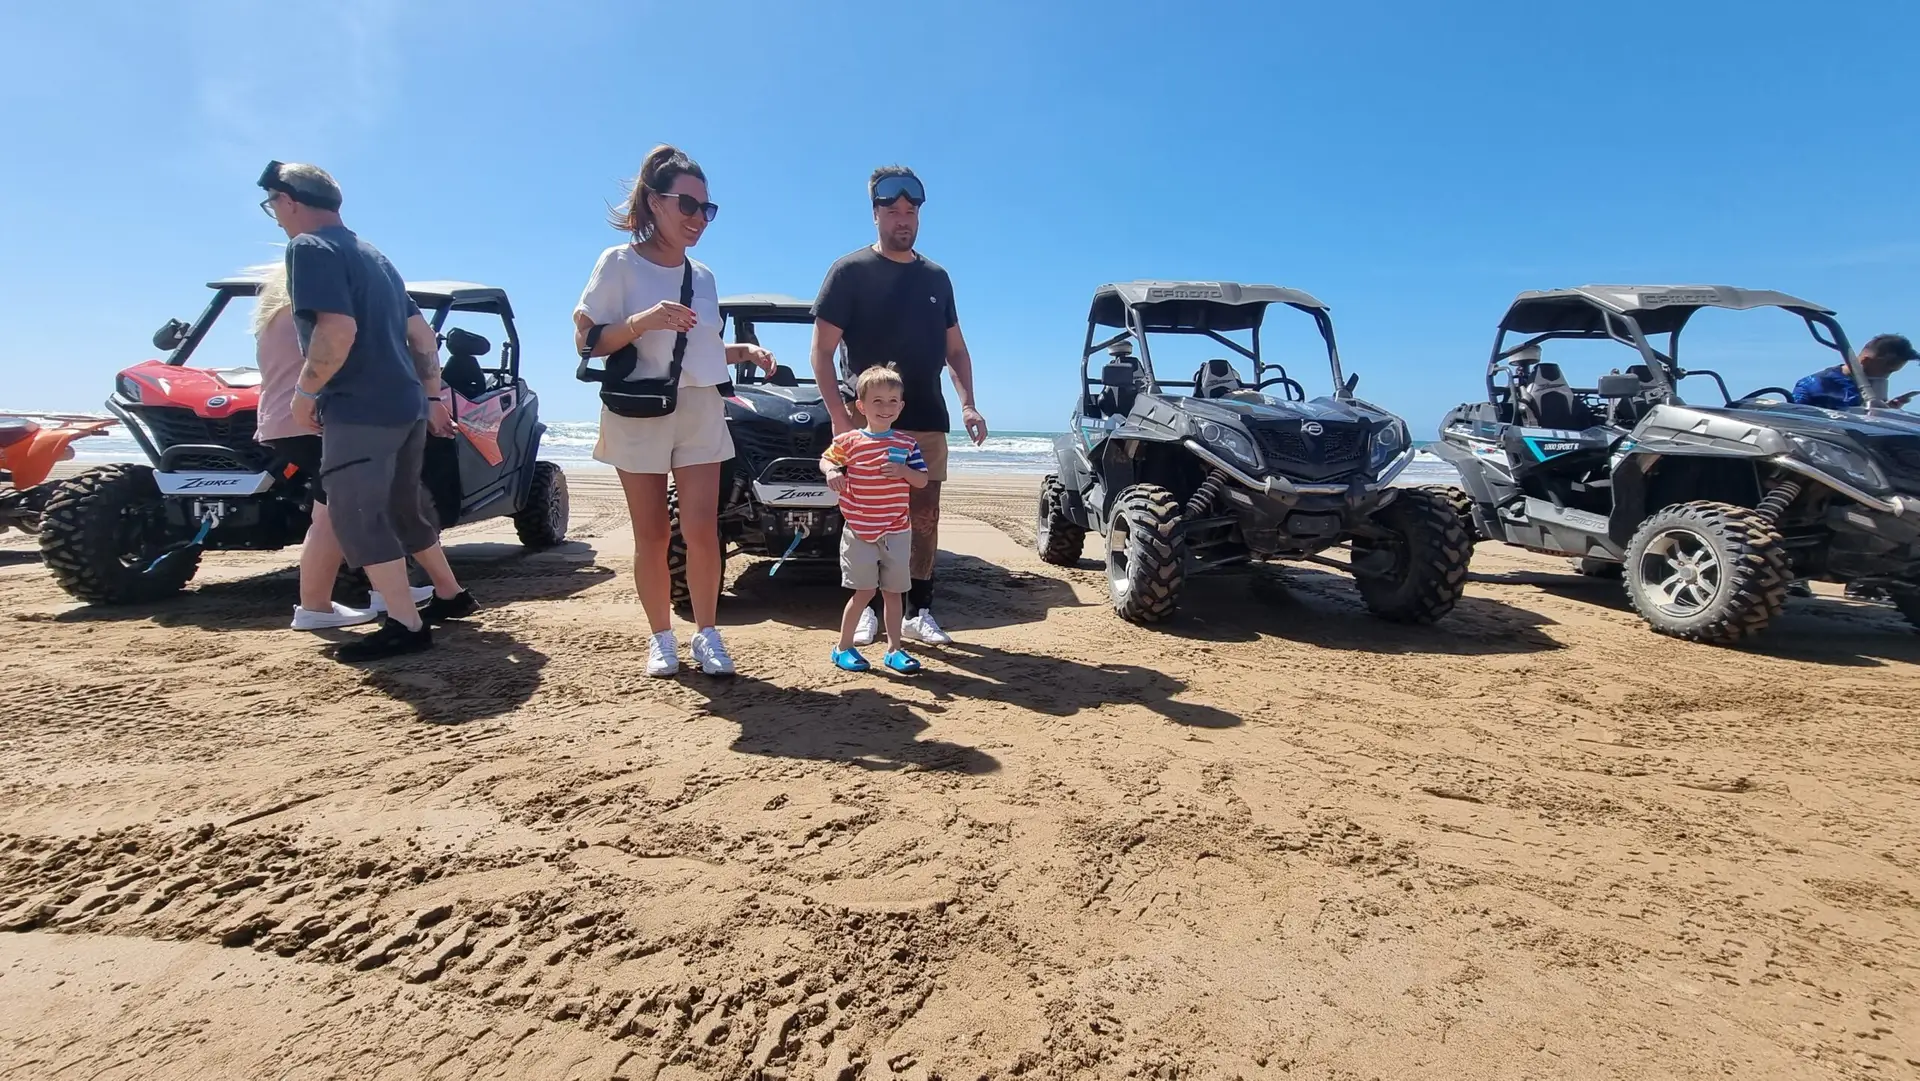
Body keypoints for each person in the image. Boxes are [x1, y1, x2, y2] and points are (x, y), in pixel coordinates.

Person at [260, 161, 475, 661]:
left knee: (356, 512)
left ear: (288, 200)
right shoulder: (375, 256)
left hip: (359, 407)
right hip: (406, 405)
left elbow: (337, 332)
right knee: (401, 507)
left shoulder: (308, 248)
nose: (276, 215)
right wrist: (432, 397)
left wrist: (305, 393)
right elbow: (422, 337)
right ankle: (448, 595)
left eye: (273, 205)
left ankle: (406, 623)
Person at [574, 144, 775, 678]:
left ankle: (707, 634)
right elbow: (587, 341)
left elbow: (695, 349)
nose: (698, 218)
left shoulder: (702, 275)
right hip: (639, 408)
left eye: (706, 208)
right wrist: (643, 321)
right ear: (654, 201)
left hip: (701, 405)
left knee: (703, 529)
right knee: (654, 535)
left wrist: (741, 352)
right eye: (687, 205)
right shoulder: (617, 263)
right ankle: (661, 637)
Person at [809, 166, 988, 649]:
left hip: (925, 418)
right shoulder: (849, 272)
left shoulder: (936, 278)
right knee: (866, 518)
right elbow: (821, 353)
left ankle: (918, 611)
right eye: (893, 211)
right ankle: (867, 610)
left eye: (911, 211)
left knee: (922, 519)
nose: (903, 220)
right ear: (875, 214)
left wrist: (969, 405)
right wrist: (840, 418)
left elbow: (956, 351)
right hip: (865, 422)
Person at [250, 260, 431, 631]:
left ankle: (339, 601)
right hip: (316, 421)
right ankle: (323, 605)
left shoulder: (276, 316)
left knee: (335, 509)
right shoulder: (321, 313)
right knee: (341, 511)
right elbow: (345, 354)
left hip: (280, 422)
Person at [821, 366, 929, 675]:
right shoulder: (850, 441)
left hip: (896, 530)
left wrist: (904, 472)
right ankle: (843, 647)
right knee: (864, 592)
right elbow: (827, 459)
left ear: (901, 406)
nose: (885, 408)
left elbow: (922, 480)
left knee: (893, 593)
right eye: (877, 401)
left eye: (892, 401)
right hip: (859, 530)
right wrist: (832, 471)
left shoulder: (906, 444)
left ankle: (895, 649)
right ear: (861, 406)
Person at [1791, 334, 1919, 409]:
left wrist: (1886, 411)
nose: (1886, 377)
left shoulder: (1872, 389)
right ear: (1866, 361)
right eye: (1887, 371)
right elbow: (1795, 423)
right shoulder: (1815, 384)